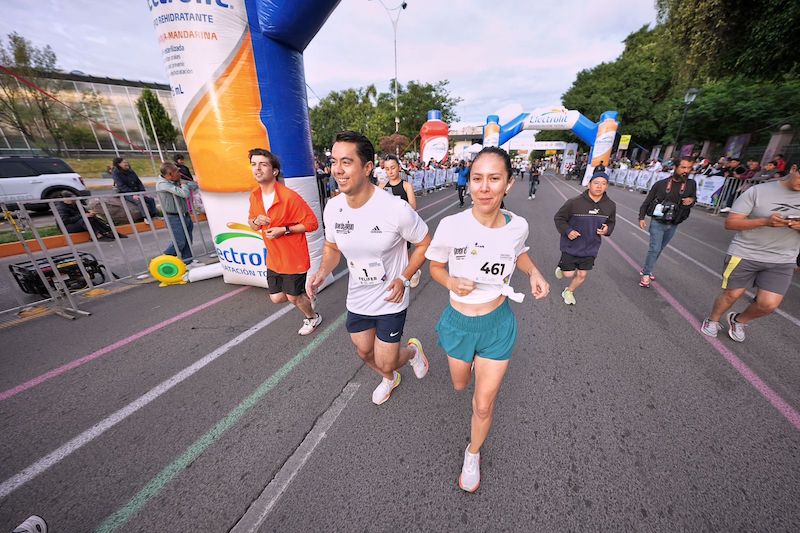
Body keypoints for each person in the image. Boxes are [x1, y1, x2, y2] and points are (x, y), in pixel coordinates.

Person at [426, 146, 549, 493]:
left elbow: (519, 252)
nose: (484, 187)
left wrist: (535, 272)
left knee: (483, 403)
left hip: (497, 325)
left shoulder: (518, 226)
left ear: (508, 184)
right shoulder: (451, 225)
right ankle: (468, 368)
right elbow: (434, 265)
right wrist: (450, 281)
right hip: (459, 324)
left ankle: (472, 452)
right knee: (460, 385)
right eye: (477, 178)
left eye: (494, 179)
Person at [307, 131, 432, 405]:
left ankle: (410, 353)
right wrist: (320, 272)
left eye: (346, 162)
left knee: (387, 360)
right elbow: (331, 248)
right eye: (334, 161)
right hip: (358, 297)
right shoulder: (333, 207)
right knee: (364, 352)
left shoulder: (395, 209)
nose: (337, 169)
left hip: (390, 298)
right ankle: (390, 378)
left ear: (366, 168)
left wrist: (404, 277)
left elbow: (424, 243)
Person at [701, 168, 800, 342]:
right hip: (745, 252)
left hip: (783, 258)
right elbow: (731, 223)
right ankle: (713, 319)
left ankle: (739, 320)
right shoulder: (758, 191)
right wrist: (764, 222)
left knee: (768, 305)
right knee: (732, 294)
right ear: (794, 169)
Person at [247, 148, 322, 335]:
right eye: (254, 164)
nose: (257, 168)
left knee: (292, 297)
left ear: (274, 171)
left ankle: (313, 317)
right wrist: (256, 222)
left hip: (293, 257)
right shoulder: (255, 196)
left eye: (263, 164)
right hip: (274, 257)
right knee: (277, 298)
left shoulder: (289, 197)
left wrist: (284, 230)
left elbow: (312, 223)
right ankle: (305, 295)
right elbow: (252, 222)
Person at [553, 170, 616, 305]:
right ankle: (562, 267)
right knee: (568, 274)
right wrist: (568, 231)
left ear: (607, 187)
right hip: (572, 245)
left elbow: (611, 222)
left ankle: (568, 291)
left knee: (582, 274)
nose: (599, 186)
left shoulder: (610, 205)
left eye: (603, 183)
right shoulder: (574, 202)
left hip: (591, 246)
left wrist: (607, 229)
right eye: (596, 183)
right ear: (589, 185)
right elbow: (559, 218)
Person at [638, 156, 698, 287]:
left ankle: (647, 268)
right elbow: (647, 201)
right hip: (658, 222)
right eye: (683, 167)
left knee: (659, 249)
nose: (686, 171)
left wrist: (691, 201)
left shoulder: (691, 184)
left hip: (674, 223)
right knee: (654, 248)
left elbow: (694, 198)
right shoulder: (661, 184)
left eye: (689, 168)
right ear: (675, 167)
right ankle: (646, 274)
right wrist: (641, 218)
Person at [156, 161, 199, 266]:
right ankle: (161, 262)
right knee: (179, 242)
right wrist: (184, 185)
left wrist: (185, 183)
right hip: (173, 217)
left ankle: (188, 262)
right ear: (170, 174)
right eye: (177, 172)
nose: (179, 174)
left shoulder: (175, 181)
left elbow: (194, 185)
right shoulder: (162, 184)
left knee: (188, 240)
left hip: (184, 214)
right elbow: (184, 193)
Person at [56, 191, 122, 241]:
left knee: (91, 217)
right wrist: (82, 216)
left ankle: (108, 231)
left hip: (78, 222)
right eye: (69, 198)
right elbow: (65, 221)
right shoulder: (61, 208)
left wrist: (90, 213)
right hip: (68, 227)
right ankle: (97, 235)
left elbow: (85, 212)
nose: (73, 200)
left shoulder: (75, 204)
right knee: (84, 220)